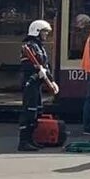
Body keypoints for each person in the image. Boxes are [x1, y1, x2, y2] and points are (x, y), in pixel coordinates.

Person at [18, 19, 57, 152]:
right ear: (37, 31)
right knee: (28, 112)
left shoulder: (39, 46)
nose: (46, 35)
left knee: (36, 111)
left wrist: (51, 80)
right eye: (44, 32)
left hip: (37, 84)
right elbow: (25, 65)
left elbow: (45, 65)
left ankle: (31, 140)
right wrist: (36, 70)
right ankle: (24, 141)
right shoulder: (28, 46)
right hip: (30, 83)